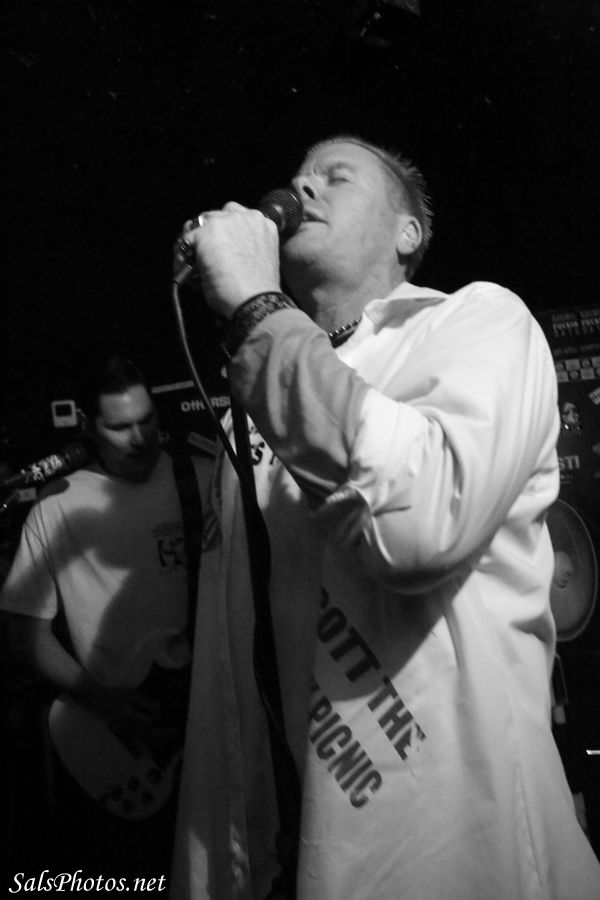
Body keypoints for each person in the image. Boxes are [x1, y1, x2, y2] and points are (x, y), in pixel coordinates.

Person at [171, 136, 600, 899]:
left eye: (335, 176)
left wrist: (257, 309)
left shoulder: (476, 323)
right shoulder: (252, 404)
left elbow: (418, 527)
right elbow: (230, 678)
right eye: (298, 174)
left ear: (408, 233)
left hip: (467, 860)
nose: (303, 185)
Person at [1, 357, 204, 881]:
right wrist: (102, 700)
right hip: (118, 734)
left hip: (201, 722)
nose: (139, 437)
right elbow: (24, 631)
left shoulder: (199, 479)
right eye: (120, 427)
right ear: (89, 428)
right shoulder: (57, 507)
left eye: (147, 420)